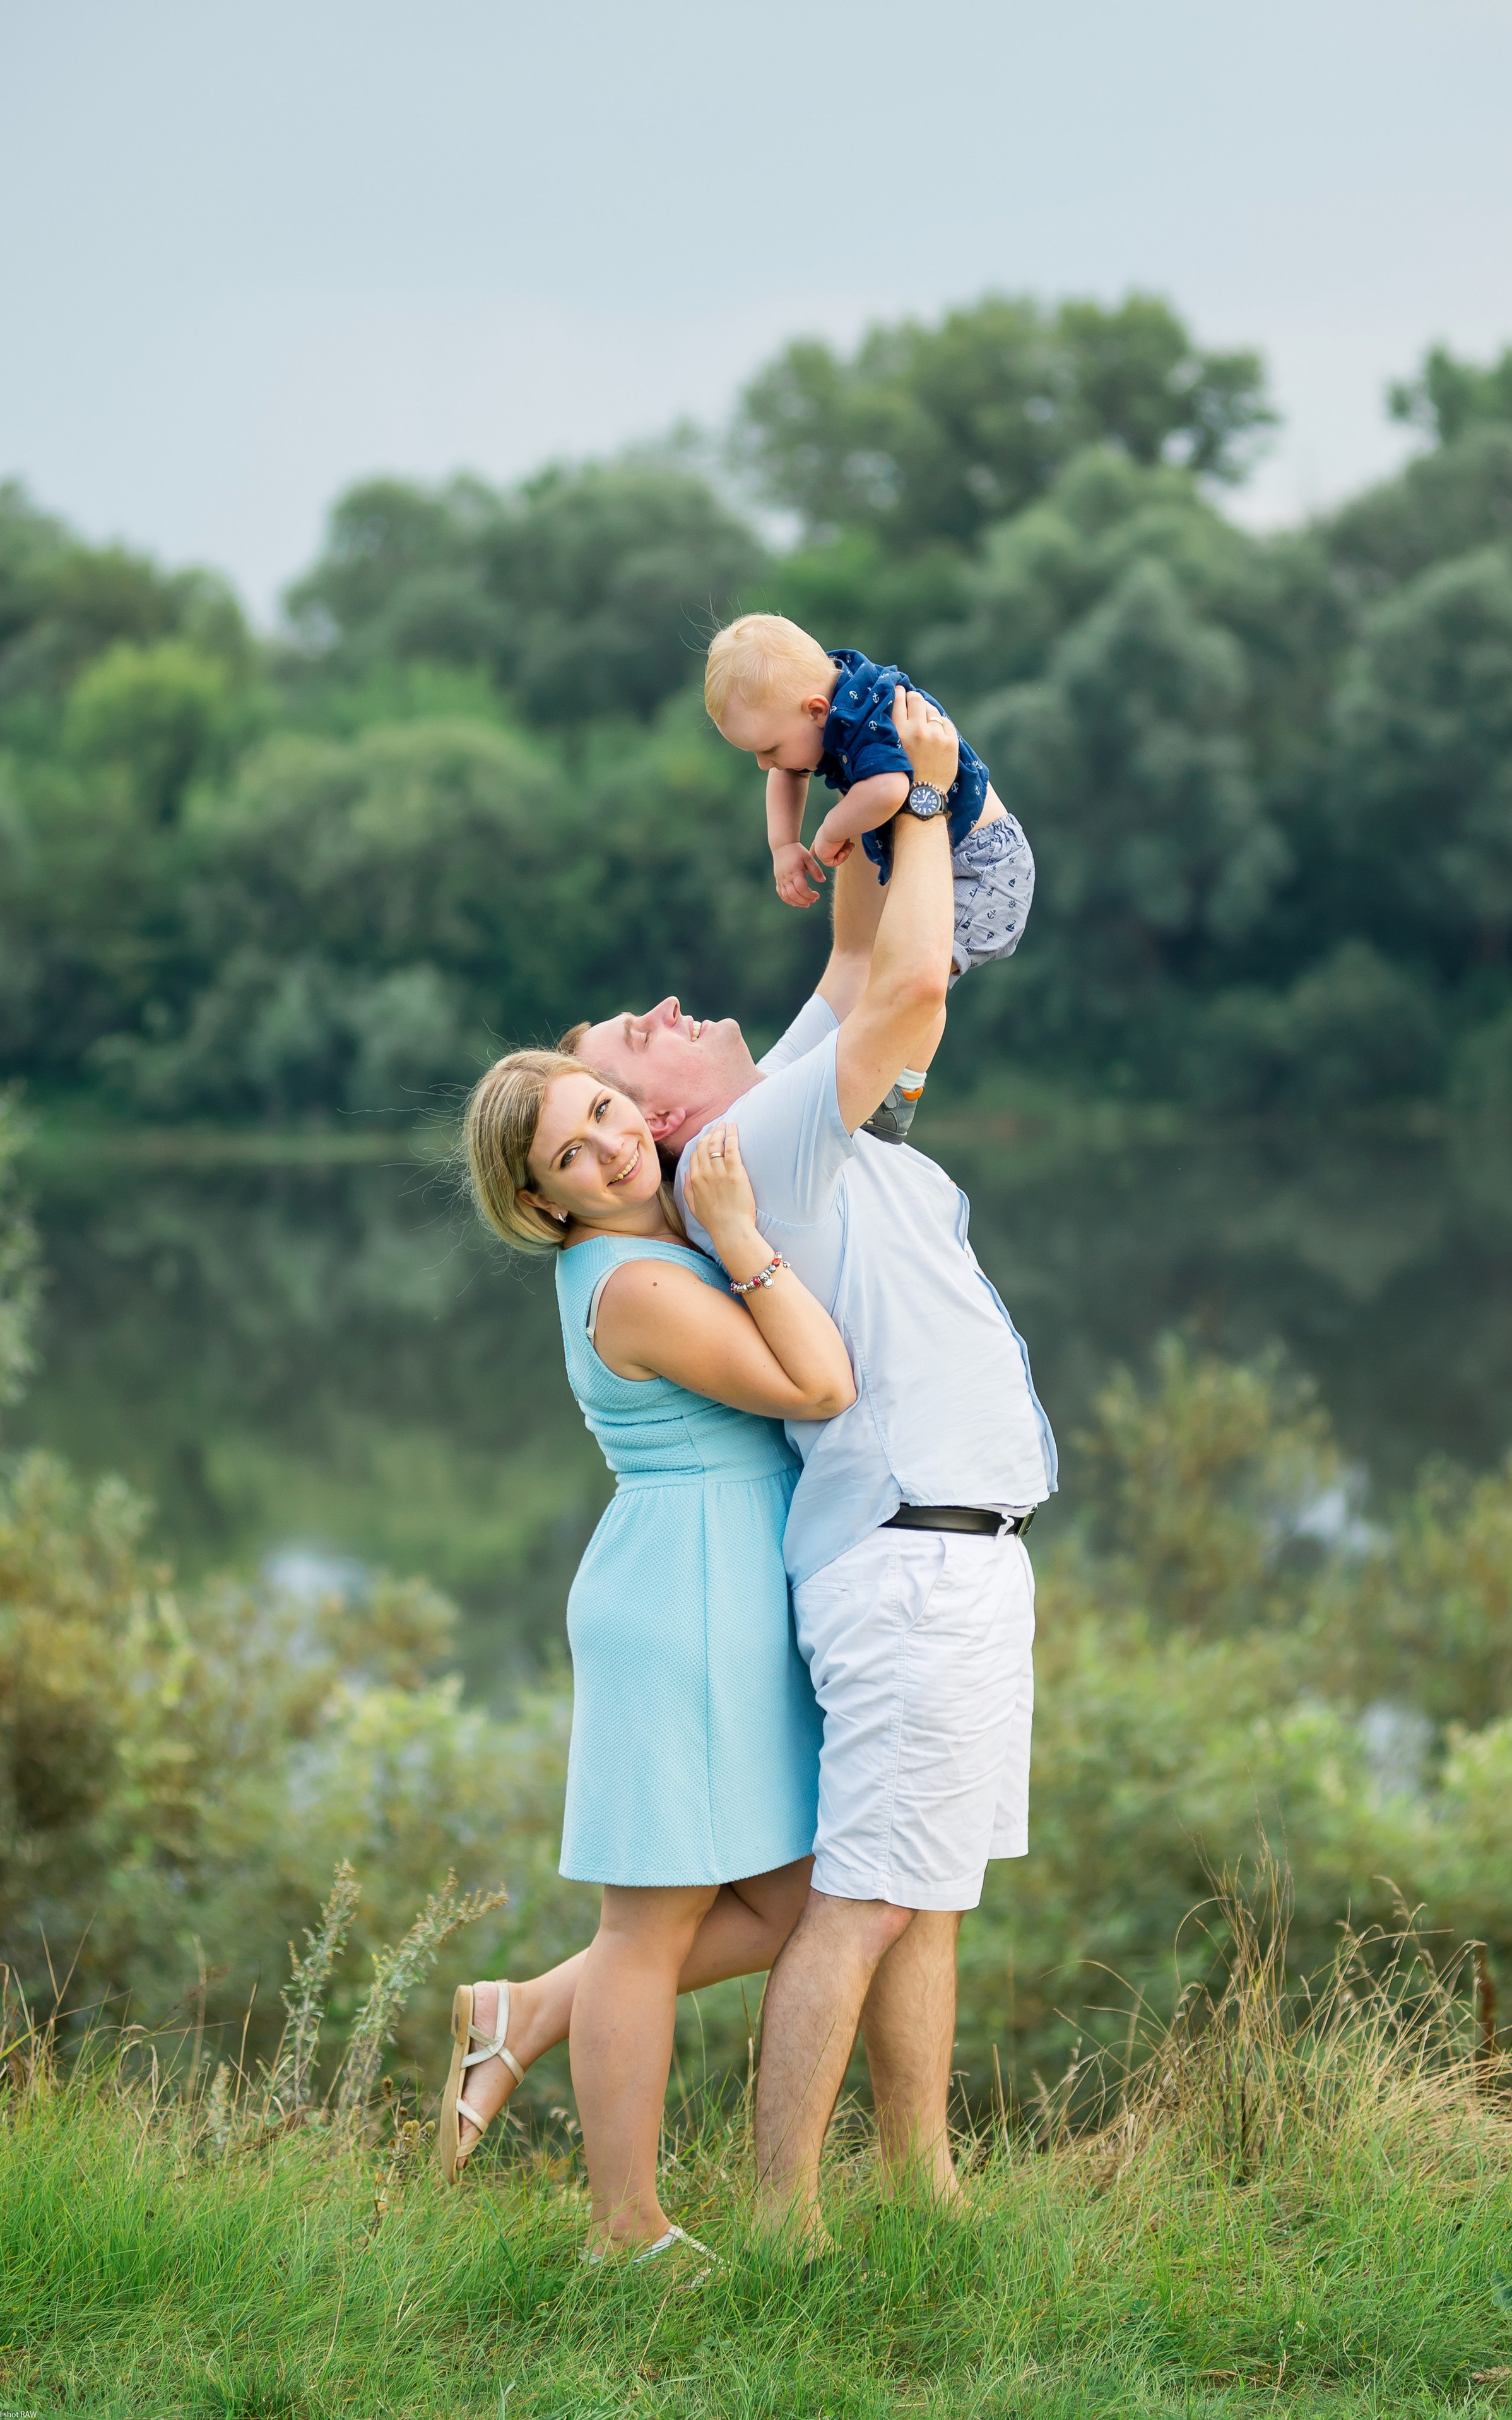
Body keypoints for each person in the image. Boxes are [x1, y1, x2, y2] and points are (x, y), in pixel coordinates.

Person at [578, 687, 1058, 2249]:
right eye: (627, 1045)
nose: (662, 1005)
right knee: (860, 1898)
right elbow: (913, 982)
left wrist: (845, 778)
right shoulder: (763, 1138)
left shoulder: (762, 1105)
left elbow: (859, 959)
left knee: (919, 1889)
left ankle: (917, 2182)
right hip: (913, 1555)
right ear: (661, 1120)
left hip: (951, 1545)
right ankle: (786, 2222)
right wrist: (916, 803)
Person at [445, 1052, 854, 2263]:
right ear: (544, 1202)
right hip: (682, 1597)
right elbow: (819, 1382)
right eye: (573, 1150)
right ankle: (624, 2232)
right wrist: (742, 1237)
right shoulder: (630, 1281)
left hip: (726, 1581)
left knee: (796, 1904)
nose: (613, 1144)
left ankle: (522, 2012)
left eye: (609, 1112)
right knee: (645, 1925)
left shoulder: (641, 1238)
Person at [704, 611, 1036, 1142]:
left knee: (921, 978)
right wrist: (783, 846)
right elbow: (790, 774)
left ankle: (901, 1092)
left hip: (984, 869)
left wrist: (832, 827)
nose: (765, 765)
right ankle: (879, 1079)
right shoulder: (817, 710)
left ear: (816, 710)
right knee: (890, 971)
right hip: (938, 858)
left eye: (768, 749)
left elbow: (888, 791)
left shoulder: (871, 713)